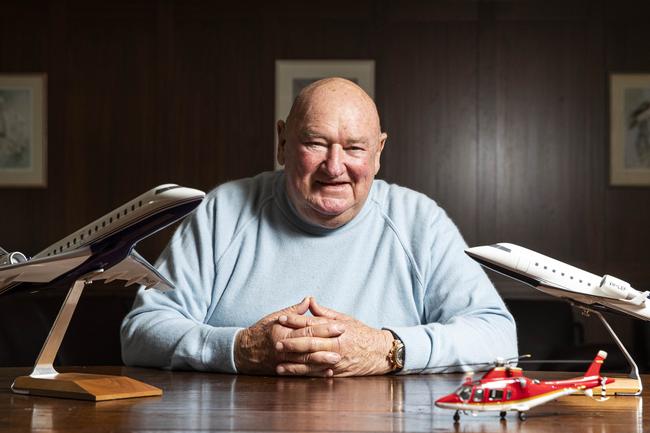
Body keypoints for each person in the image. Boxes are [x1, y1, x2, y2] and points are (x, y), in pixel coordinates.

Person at [121, 78, 517, 377]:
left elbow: (498, 337)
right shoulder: (221, 212)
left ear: (378, 152)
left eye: (355, 148)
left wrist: (387, 349)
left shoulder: (420, 222)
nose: (334, 166)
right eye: (315, 143)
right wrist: (240, 348)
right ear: (282, 142)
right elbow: (141, 332)